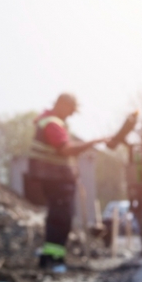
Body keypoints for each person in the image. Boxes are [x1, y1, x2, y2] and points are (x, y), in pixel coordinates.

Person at [26, 94, 104, 271]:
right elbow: (65, 149)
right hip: (57, 180)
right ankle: (55, 260)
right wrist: (92, 142)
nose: (71, 115)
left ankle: (51, 257)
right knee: (60, 218)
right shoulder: (52, 123)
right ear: (62, 105)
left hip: (55, 180)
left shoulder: (47, 121)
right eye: (70, 110)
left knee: (58, 217)